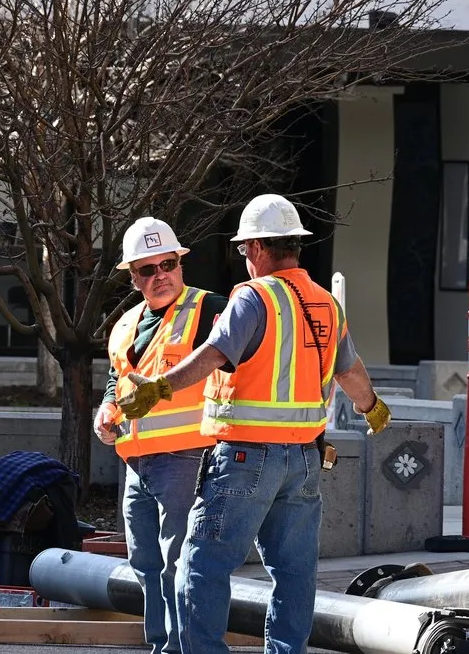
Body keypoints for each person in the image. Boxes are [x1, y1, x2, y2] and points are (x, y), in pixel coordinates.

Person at [119, 194, 392, 654]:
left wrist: (159, 388)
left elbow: (212, 355)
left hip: (246, 458)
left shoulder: (254, 296)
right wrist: (372, 407)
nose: (245, 260)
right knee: (294, 572)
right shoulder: (326, 303)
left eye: (245, 250)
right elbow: (351, 372)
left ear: (259, 249)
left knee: (202, 565)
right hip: (304, 460)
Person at [94, 216, 229, 654]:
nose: (160, 276)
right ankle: (160, 644)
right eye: (147, 270)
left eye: (167, 264)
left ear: (180, 263)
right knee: (146, 563)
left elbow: (244, 358)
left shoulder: (211, 309)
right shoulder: (127, 323)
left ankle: (179, 647)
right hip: (137, 462)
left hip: (186, 457)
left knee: (179, 561)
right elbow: (120, 378)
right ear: (133, 278)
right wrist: (106, 408)